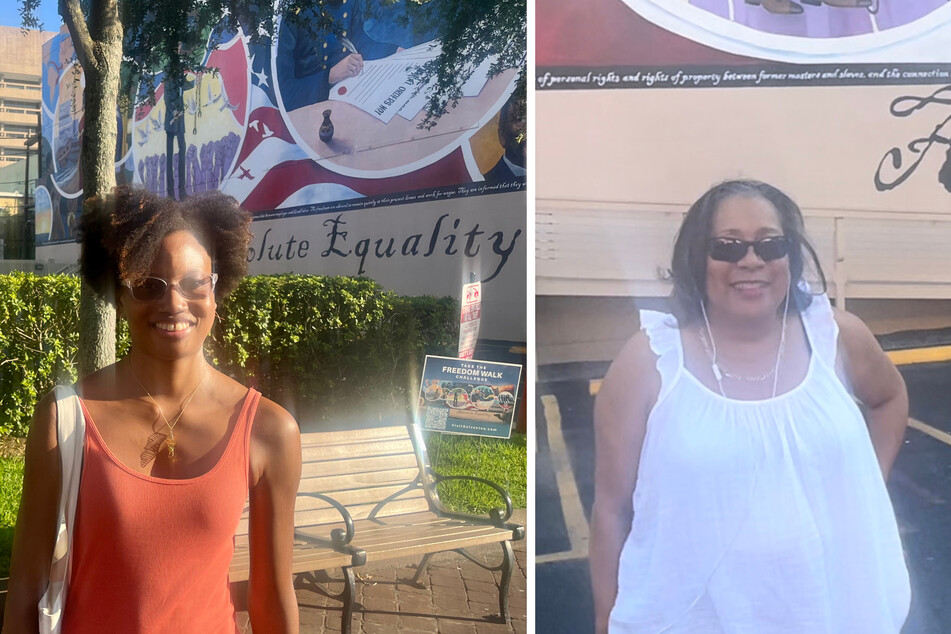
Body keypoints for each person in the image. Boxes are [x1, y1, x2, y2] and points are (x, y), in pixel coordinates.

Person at [592, 179, 910, 633]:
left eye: (769, 244)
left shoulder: (837, 337)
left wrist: (867, 486)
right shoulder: (648, 363)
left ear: (790, 255)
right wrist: (604, 618)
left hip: (829, 608)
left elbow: (890, 398)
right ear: (696, 258)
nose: (751, 261)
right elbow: (611, 508)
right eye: (727, 247)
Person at [3, 187, 302, 633]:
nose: (174, 303)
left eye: (194, 283)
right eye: (148, 285)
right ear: (119, 296)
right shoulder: (65, 419)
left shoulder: (269, 430)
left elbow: (272, 596)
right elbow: (26, 585)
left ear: (216, 291)